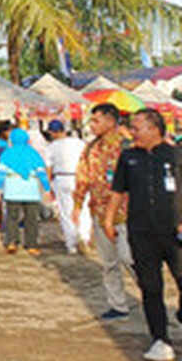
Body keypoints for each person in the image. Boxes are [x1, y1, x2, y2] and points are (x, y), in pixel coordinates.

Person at [103, 109, 182, 361]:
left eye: (137, 127)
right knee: (150, 287)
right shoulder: (128, 157)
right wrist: (108, 219)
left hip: (174, 231)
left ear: (154, 128)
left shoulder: (175, 155)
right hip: (141, 232)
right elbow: (117, 191)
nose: (132, 132)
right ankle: (160, 339)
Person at [73, 103, 135, 319]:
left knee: (130, 258)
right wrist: (78, 204)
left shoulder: (128, 146)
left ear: (111, 120)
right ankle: (118, 305)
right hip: (99, 212)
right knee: (109, 263)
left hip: (126, 212)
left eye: (96, 120)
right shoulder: (90, 148)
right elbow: (82, 177)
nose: (92, 126)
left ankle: (151, 297)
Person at [0, 128, 52, 255]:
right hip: (31, 189)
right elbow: (41, 172)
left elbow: (1, 173)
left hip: (12, 189)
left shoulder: (7, 154)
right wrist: (47, 188)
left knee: (12, 218)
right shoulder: (33, 153)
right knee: (31, 219)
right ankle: (31, 244)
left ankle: (11, 242)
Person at [46, 119, 88, 255]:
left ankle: (71, 244)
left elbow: (48, 168)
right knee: (83, 208)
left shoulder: (52, 147)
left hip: (62, 177)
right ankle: (84, 236)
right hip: (79, 176)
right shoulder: (79, 143)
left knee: (66, 211)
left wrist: (48, 186)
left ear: (52, 132)